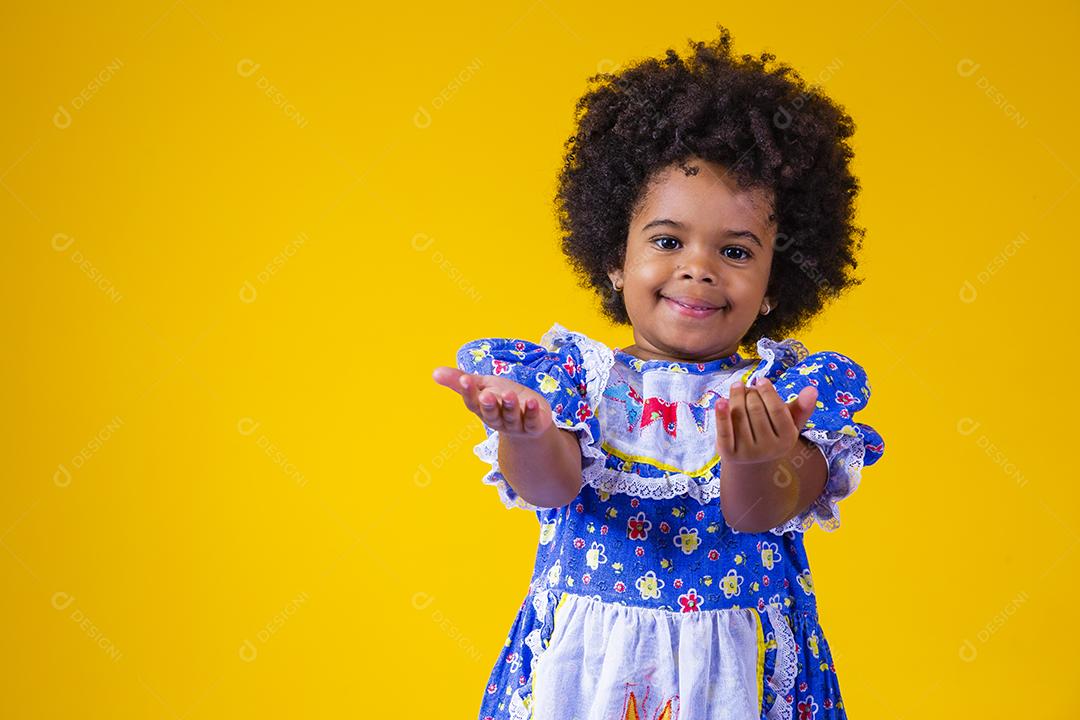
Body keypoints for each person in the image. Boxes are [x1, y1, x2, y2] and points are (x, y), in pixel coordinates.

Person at [431, 24, 884, 720]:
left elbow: (756, 510)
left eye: (736, 252)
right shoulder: (573, 381)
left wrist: (759, 459)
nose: (698, 267)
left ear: (775, 282)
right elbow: (551, 487)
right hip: (585, 677)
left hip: (738, 679)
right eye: (668, 240)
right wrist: (524, 435)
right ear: (615, 257)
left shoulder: (788, 394)